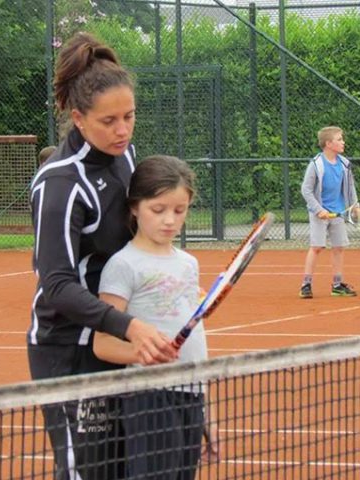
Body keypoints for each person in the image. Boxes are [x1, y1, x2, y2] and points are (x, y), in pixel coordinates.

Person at [27, 32, 177, 480]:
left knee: (125, 466)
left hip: (115, 339)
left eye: (129, 116)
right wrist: (129, 325)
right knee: (83, 471)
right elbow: (56, 286)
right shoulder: (59, 186)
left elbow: (134, 236)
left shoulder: (125, 156)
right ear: (78, 118)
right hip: (69, 349)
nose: (122, 130)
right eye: (109, 120)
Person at [93, 155, 219, 480]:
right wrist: (143, 353)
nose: (170, 221)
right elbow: (103, 344)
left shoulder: (189, 264)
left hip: (190, 393)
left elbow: (196, 340)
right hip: (147, 394)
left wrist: (207, 412)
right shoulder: (123, 266)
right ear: (135, 207)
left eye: (180, 211)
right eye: (158, 209)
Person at [299, 126, 359, 299]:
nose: (343, 142)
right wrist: (319, 210)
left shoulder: (344, 164)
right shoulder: (316, 164)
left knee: (338, 248)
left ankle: (337, 285)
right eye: (339, 139)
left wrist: (355, 205)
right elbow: (306, 190)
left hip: (338, 212)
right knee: (316, 247)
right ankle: (306, 284)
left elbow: (350, 186)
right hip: (319, 213)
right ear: (328, 143)